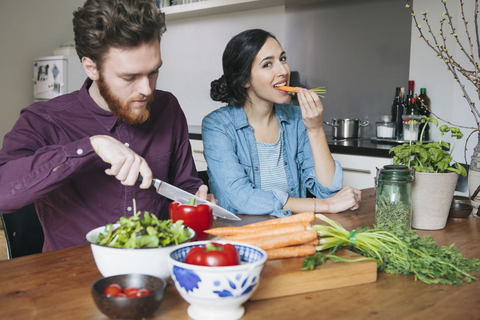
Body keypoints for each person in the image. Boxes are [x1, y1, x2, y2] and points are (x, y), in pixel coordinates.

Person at [0, 0, 211, 252]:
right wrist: (91, 147)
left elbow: (185, 187)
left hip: (158, 267)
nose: (146, 89)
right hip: (74, 274)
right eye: (129, 77)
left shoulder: (168, 108)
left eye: (153, 72)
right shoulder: (44, 119)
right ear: (91, 68)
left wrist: (197, 201)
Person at [202, 29, 361, 217]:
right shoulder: (217, 126)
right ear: (245, 80)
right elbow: (243, 198)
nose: (283, 71)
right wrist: (324, 205)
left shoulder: (296, 118)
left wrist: (315, 129)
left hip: (295, 232)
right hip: (241, 238)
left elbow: (328, 191)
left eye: (283, 59)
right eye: (268, 64)